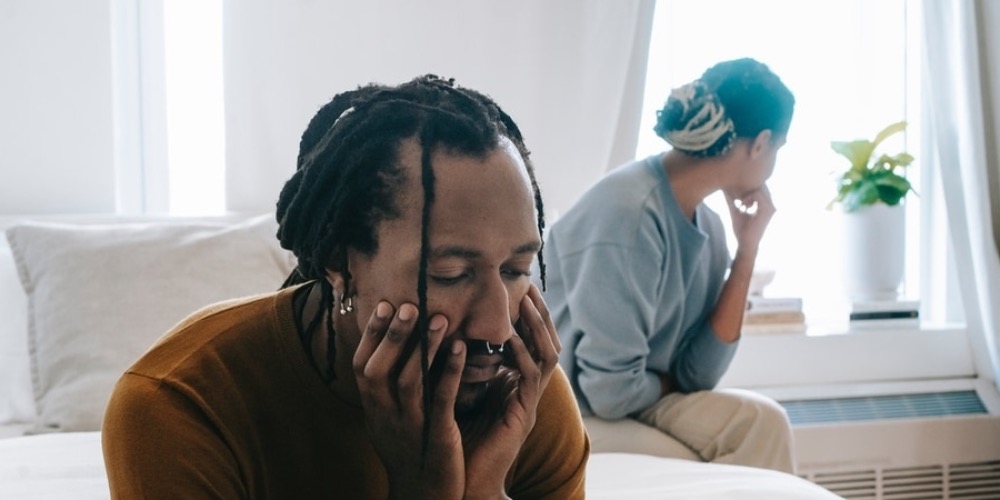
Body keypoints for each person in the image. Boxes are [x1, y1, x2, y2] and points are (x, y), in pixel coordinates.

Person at [102, 74, 589, 498]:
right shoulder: (181, 406)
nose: (498, 328)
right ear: (339, 261)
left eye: (516, 270)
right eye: (450, 274)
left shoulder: (517, 394)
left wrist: (483, 492)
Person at [538, 58, 797, 473]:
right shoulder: (628, 214)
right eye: (779, 151)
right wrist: (670, 382)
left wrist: (747, 251)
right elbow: (609, 393)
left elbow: (698, 376)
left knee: (763, 423)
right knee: (699, 465)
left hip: (635, 403)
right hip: (568, 413)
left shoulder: (709, 227)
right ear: (760, 144)